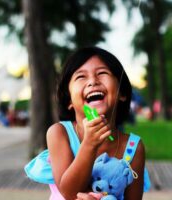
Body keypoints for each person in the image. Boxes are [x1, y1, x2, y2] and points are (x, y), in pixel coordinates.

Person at [25, 47, 146, 200]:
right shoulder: (59, 133)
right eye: (81, 77)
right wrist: (89, 144)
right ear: (69, 100)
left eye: (102, 73)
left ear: (122, 93)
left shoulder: (133, 148)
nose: (93, 82)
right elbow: (69, 193)